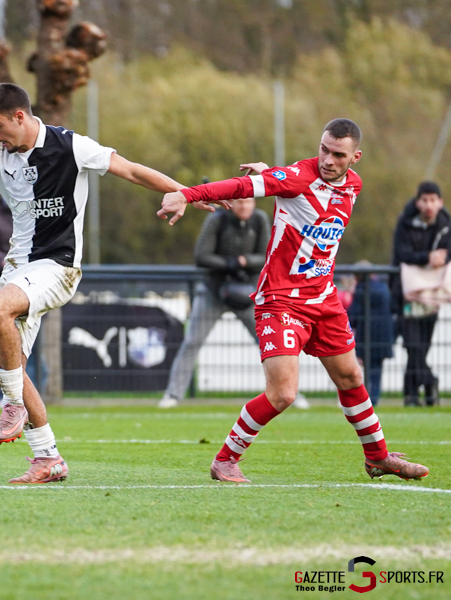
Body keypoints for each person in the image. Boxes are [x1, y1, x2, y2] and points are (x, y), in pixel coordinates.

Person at [0, 83, 204, 484]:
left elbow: (133, 170)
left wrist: (189, 192)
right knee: (3, 366)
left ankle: (14, 403)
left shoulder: (71, 145)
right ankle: (48, 457)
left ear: (20, 116)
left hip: (58, 265)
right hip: (18, 268)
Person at [158, 118, 429, 483]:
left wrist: (273, 173)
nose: (328, 160)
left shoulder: (354, 185)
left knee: (351, 377)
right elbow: (245, 186)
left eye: (338, 154)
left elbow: (293, 193)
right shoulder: (299, 176)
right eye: (323, 150)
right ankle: (225, 460)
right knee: (283, 394)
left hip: (324, 297)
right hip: (281, 300)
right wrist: (187, 195)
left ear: (355, 157)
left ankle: (378, 457)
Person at [159, 198, 271, 408]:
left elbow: (267, 255)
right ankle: (173, 394)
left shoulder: (260, 220)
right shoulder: (217, 219)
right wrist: (230, 263)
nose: (244, 207)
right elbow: (202, 256)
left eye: (248, 202)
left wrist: (244, 261)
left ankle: (287, 392)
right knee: (192, 341)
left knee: (269, 343)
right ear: (231, 203)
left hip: (248, 292)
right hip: (214, 292)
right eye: (239, 202)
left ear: (254, 203)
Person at [390, 181, 449, 407]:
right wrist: (428, 257)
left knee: (422, 346)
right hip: (405, 293)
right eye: (425, 200)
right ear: (418, 202)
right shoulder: (406, 222)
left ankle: (411, 395)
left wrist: (443, 257)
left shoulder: (445, 224)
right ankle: (430, 382)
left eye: (433, 200)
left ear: (440, 202)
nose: (429, 205)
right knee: (412, 345)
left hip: (432, 294)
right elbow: (402, 253)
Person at [0, 196, 41, 407]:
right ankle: (6, 397)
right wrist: (5, 260)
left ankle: (28, 398)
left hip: (34, 288)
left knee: (28, 349)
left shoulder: (37, 213)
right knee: (2, 350)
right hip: (3, 289)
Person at [347, 262, 394, 406]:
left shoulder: (361, 290)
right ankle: (374, 397)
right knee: (377, 369)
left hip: (366, 335)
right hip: (384, 335)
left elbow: (353, 315)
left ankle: (366, 399)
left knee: (366, 369)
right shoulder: (383, 287)